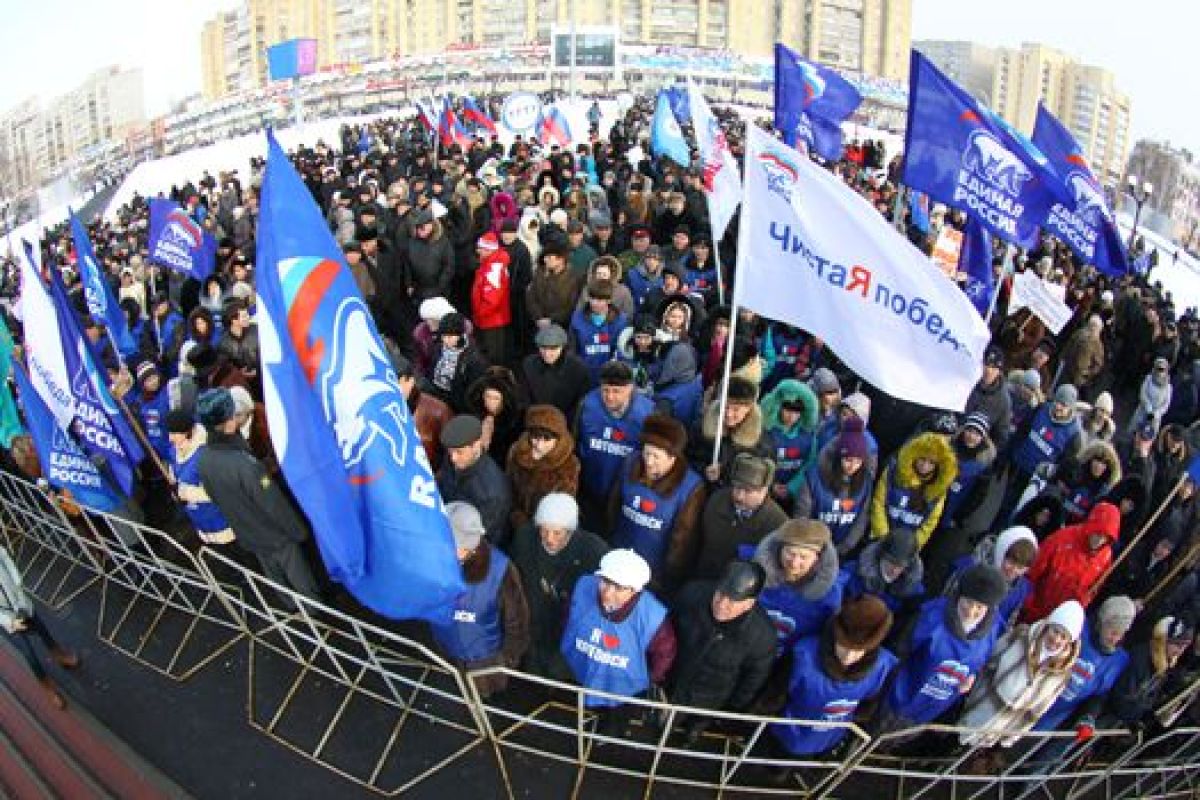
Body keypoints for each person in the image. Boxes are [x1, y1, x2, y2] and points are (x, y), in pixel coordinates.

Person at [195, 388, 321, 602]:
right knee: (300, 579)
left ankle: (289, 605)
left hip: (247, 534)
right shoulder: (246, 465)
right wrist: (298, 531)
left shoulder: (203, 459)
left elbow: (215, 496)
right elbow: (273, 505)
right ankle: (313, 610)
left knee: (275, 577)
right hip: (276, 535)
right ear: (228, 422)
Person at [875, 564, 1007, 738]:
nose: (971, 611)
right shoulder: (931, 617)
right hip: (897, 700)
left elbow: (979, 663)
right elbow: (897, 652)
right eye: (968, 602)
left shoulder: (992, 630)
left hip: (929, 710)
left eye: (979, 608)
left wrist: (970, 679)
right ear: (959, 596)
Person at [560, 549, 676, 738]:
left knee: (617, 714)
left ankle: (611, 732)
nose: (607, 593)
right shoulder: (584, 587)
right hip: (587, 667)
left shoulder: (651, 615)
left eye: (618, 588)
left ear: (634, 590)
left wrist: (650, 678)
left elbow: (664, 652)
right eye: (604, 582)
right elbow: (568, 616)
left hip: (622, 687)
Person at [769, 596, 897, 769]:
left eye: (858, 650)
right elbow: (776, 696)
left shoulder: (883, 667)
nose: (849, 657)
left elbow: (869, 705)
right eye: (844, 646)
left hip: (829, 738)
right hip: (788, 736)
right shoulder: (803, 656)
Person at [668, 561, 777, 745]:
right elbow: (667, 630)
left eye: (733, 600)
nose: (722, 604)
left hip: (713, 698)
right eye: (720, 594)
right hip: (676, 683)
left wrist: (733, 706)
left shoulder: (762, 636)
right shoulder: (691, 595)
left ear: (749, 604)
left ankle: (693, 731)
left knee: (697, 724)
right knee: (666, 721)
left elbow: (754, 678)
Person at [428, 502, 530, 698]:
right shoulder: (434, 560)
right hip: (446, 650)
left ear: (471, 545)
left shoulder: (501, 571)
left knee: (485, 700)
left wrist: (506, 660)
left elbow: (517, 622)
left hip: (485, 662)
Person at [957, 600, 1084, 754]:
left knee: (965, 757)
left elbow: (1038, 710)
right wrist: (971, 695)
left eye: (1064, 637)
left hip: (998, 729)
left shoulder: (1062, 673)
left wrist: (1013, 735)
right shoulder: (1021, 636)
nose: (1057, 640)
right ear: (1047, 626)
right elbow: (990, 661)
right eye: (1055, 631)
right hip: (977, 707)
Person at [508, 493, 607, 680]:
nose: (549, 539)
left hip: (567, 630)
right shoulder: (524, 539)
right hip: (533, 626)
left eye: (557, 533)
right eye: (544, 531)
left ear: (570, 530)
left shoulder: (593, 551)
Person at [609, 413, 706, 592]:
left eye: (656, 456)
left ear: (672, 457)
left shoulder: (690, 488)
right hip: (620, 557)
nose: (649, 461)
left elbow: (682, 540)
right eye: (646, 453)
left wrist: (667, 577)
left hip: (654, 573)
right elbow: (614, 504)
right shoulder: (631, 463)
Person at [1030, 596, 1135, 754]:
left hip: (1057, 715)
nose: (1115, 638)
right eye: (1112, 631)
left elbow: (1100, 695)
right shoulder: (1079, 629)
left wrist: (1089, 716)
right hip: (1035, 696)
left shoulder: (1118, 660)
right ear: (1101, 623)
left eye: (1120, 634)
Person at [575, 361, 654, 530]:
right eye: (605, 390)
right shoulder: (587, 405)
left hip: (626, 496)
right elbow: (575, 441)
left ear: (630, 388)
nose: (609, 397)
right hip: (590, 490)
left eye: (616, 391)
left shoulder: (647, 414)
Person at [0, 543, 79, 709]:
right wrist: (10, 622)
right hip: (9, 618)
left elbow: (5, 557)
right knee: (30, 656)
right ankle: (48, 688)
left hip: (21, 602)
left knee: (44, 632)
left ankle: (60, 656)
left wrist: (18, 582)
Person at [752, 519, 844, 651]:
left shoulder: (831, 594)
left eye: (803, 557)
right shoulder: (754, 573)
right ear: (780, 550)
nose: (794, 563)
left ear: (816, 559)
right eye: (790, 553)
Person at [693, 453, 788, 580]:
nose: (739, 496)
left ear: (764, 490)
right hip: (702, 578)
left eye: (748, 491)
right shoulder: (717, 500)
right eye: (736, 487)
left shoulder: (777, 523)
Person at [1023, 502, 1120, 622]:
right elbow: (1032, 573)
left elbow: (1095, 589)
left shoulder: (1105, 557)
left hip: (1062, 622)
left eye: (1106, 536)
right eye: (1097, 533)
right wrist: (1028, 605)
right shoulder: (1062, 539)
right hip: (1034, 611)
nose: (1100, 540)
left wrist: (1084, 601)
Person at [795, 418, 875, 556]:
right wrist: (809, 545)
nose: (852, 467)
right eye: (848, 460)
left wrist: (844, 547)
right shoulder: (814, 477)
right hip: (810, 547)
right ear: (839, 457)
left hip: (843, 550)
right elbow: (802, 513)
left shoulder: (865, 482)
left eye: (858, 462)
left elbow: (862, 518)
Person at [870, 432, 958, 550]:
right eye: (922, 459)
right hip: (880, 537)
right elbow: (878, 503)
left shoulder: (939, 488)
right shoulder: (892, 472)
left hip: (906, 547)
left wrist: (911, 547)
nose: (925, 466)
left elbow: (929, 523)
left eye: (931, 463)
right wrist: (883, 536)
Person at [436, 415, 512, 546]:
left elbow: (480, 535)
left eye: (459, 452)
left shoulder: (492, 493)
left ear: (476, 445)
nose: (453, 458)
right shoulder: (453, 458)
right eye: (450, 452)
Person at [946, 526, 1039, 630]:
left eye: (1021, 567)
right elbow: (947, 599)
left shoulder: (1020, 589)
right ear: (1001, 552)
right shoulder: (970, 568)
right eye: (1011, 562)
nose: (1014, 570)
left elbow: (1008, 622)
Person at [165, 409, 235, 546]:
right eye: (169, 432)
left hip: (222, 524)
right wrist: (174, 491)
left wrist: (184, 492)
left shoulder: (206, 454)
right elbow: (176, 479)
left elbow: (220, 491)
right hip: (200, 523)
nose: (170, 438)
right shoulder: (174, 451)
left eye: (174, 433)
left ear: (187, 432)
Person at [505, 405, 580, 531]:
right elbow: (508, 488)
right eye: (535, 437)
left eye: (547, 439)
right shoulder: (516, 453)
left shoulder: (569, 465)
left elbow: (561, 506)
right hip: (512, 522)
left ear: (558, 440)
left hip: (546, 529)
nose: (539, 445)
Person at [759, 379, 821, 508]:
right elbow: (759, 459)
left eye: (797, 412)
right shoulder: (766, 431)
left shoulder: (808, 436)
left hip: (794, 496)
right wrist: (771, 484)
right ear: (778, 406)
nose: (792, 416)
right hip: (764, 490)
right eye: (788, 410)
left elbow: (809, 464)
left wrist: (792, 487)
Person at [840, 527, 926, 615]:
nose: (894, 571)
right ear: (880, 555)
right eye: (891, 562)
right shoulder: (852, 573)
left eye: (901, 566)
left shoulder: (914, 590)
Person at [519, 323, 591, 420]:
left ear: (562, 347)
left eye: (553, 348)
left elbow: (580, 405)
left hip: (567, 423)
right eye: (543, 348)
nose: (547, 354)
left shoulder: (578, 368)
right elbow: (524, 400)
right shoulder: (528, 365)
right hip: (536, 420)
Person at [569, 279, 626, 382]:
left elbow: (621, 350)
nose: (594, 303)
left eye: (600, 300)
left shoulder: (620, 320)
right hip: (583, 374)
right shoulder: (577, 317)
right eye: (592, 298)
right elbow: (572, 348)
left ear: (609, 300)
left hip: (609, 376)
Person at [964, 344, 1014, 450]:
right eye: (986, 364)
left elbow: (1001, 436)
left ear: (1000, 372)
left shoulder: (1004, 400)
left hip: (974, 449)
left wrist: (984, 452)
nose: (988, 370)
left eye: (994, 367)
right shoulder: (966, 380)